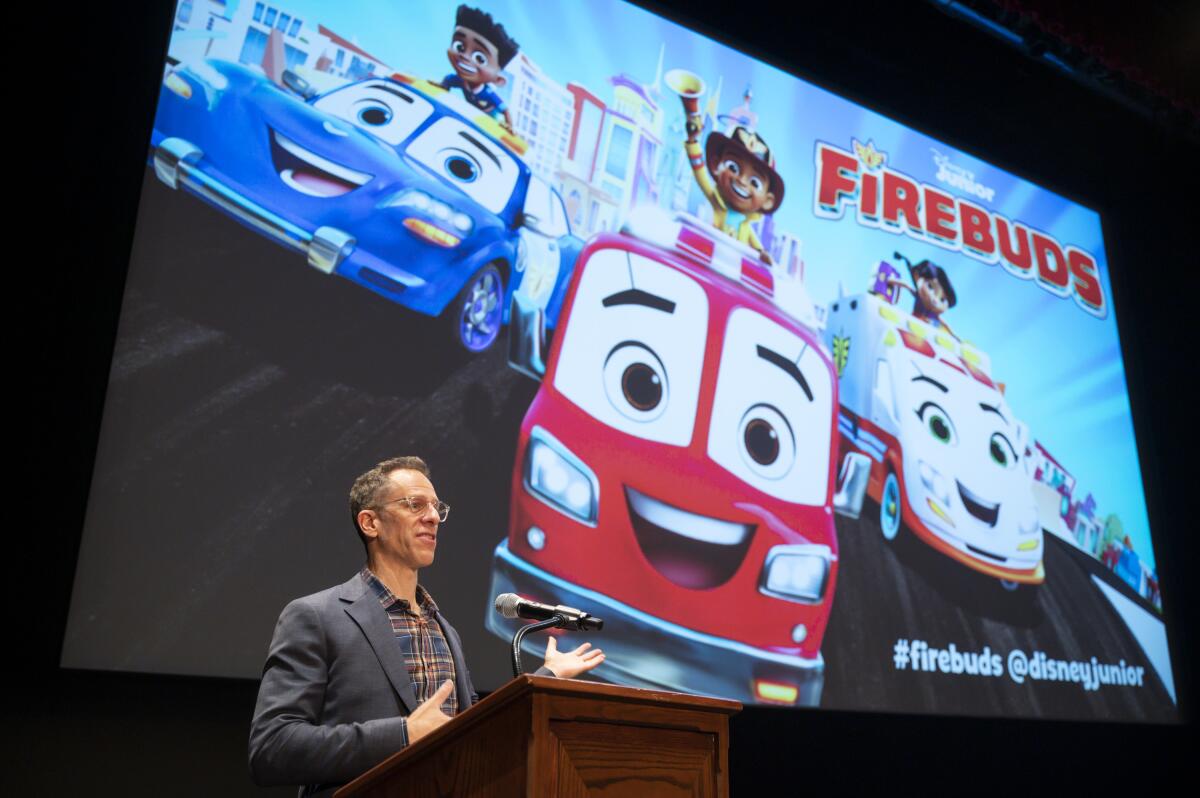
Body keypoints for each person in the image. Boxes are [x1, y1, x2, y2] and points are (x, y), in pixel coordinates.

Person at [249, 456, 604, 795]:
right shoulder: (316, 616)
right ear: (370, 523)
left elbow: (477, 732)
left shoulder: (444, 630)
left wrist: (546, 677)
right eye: (415, 505)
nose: (433, 517)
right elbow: (272, 748)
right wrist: (403, 735)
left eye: (436, 507)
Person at [440, 5, 519, 131]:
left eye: (480, 58)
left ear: (498, 80)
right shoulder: (459, 80)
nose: (465, 57)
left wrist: (510, 127)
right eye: (460, 47)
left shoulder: (488, 94)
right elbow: (447, 81)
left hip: (490, 122)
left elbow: (506, 110)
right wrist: (442, 89)